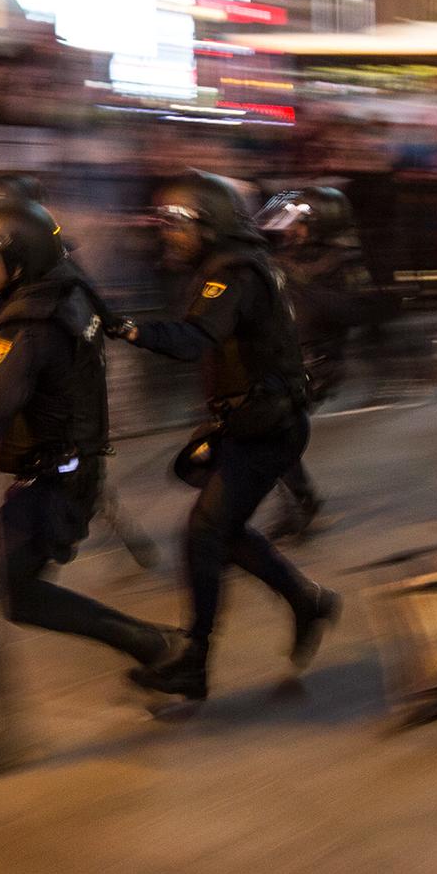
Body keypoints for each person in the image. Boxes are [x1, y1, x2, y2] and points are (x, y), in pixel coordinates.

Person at [0, 197, 184, 785]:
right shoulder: (67, 291)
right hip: (66, 475)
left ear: (18, 262)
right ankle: (153, 646)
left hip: (54, 485)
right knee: (20, 597)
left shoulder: (29, 328)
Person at [109, 171, 341, 702]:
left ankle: (195, 660)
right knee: (224, 530)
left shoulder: (233, 272)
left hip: (267, 429)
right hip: (249, 422)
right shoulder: (231, 265)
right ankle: (307, 601)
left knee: (204, 534)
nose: (167, 232)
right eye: (162, 220)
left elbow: (194, 339)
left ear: (210, 222)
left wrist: (127, 329)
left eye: (178, 221)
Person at [259, 187, 377, 540]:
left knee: (269, 430)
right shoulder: (282, 256)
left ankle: (300, 502)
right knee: (268, 433)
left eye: (302, 224)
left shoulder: (343, 262)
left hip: (318, 364)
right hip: (281, 359)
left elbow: (356, 311)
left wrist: (299, 284)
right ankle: (301, 499)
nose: (291, 230)